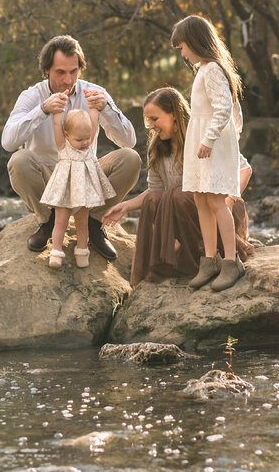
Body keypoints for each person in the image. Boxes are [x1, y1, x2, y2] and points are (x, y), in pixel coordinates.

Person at [2, 34, 141, 260]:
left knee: (131, 158)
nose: (68, 80)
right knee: (18, 160)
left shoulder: (94, 92)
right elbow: (8, 142)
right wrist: (42, 110)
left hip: (86, 178)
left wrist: (106, 108)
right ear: (46, 70)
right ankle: (46, 222)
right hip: (48, 178)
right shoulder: (31, 96)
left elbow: (129, 141)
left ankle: (94, 224)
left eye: (73, 71)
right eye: (60, 72)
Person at [102, 87, 252, 287]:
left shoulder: (202, 137)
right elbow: (156, 192)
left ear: (173, 115)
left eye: (154, 119)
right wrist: (125, 206)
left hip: (221, 210)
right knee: (157, 199)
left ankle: (220, 255)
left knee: (181, 194)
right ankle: (196, 258)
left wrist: (228, 200)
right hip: (190, 211)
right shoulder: (157, 148)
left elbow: (244, 169)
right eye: (148, 121)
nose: (151, 126)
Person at [171, 15, 247, 291]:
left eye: (182, 47)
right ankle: (209, 260)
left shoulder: (213, 69)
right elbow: (231, 111)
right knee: (201, 199)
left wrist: (209, 139)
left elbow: (224, 107)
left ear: (194, 42)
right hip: (202, 141)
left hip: (210, 143)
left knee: (215, 200)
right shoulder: (204, 68)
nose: (182, 53)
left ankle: (231, 261)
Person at [40, 108, 115, 268]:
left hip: (84, 195)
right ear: (67, 135)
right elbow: (56, 124)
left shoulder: (88, 146)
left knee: (82, 224)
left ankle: (82, 250)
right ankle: (56, 252)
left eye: (87, 138)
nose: (85, 143)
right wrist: (57, 112)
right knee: (60, 223)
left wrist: (94, 108)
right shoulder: (63, 146)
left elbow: (93, 124)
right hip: (65, 193)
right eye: (80, 139)